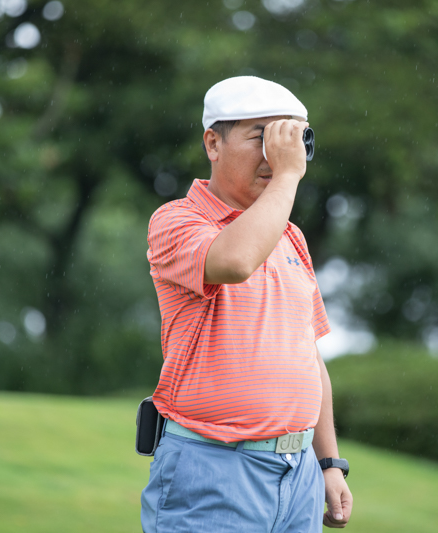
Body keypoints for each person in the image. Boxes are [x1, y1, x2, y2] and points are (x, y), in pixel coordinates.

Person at [141, 76, 353, 532]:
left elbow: (307, 355)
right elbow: (234, 260)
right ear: (212, 143)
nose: (277, 156)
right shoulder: (176, 220)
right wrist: (290, 176)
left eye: (289, 140)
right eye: (262, 137)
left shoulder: (290, 236)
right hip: (212, 467)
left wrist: (329, 462)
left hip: (300, 475)